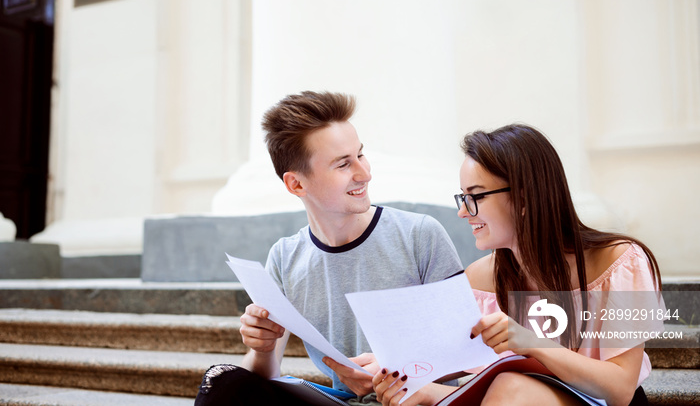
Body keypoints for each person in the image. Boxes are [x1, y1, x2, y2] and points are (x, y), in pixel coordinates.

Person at [195, 91, 463, 405]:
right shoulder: (284, 258)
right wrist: (262, 350)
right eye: (343, 164)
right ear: (296, 184)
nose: (364, 173)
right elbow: (263, 373)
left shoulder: (419, 235)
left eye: (360, 155)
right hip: (341, 402)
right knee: (224, 382)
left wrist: (398, 369)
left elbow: (466, 349)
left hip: (411, 401)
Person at [373, 123, 662, 406]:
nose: (463, 211)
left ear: (523, 196)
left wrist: (531, 342)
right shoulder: (479, 279)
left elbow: (620, 389)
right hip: (519, 397)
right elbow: (449, 360)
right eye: (463, 197)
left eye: (475, 196)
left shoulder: (620, 262)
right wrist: (388, 369)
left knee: (511, 387)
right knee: (501, 387)